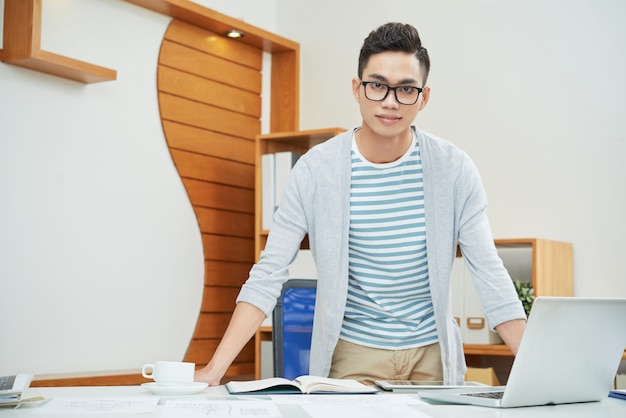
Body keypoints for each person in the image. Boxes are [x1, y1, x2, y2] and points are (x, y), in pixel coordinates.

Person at [195, 22, 526, 386]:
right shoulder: (315, 171)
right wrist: (215, 370)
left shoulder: (454, 168)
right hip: (353, 354)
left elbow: (488, 271)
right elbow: (269, 272)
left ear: (424, 97)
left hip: (433, 354)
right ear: (357, 89)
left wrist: (535, 372)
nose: (390, 101)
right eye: (377, 85)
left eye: (406, 90)